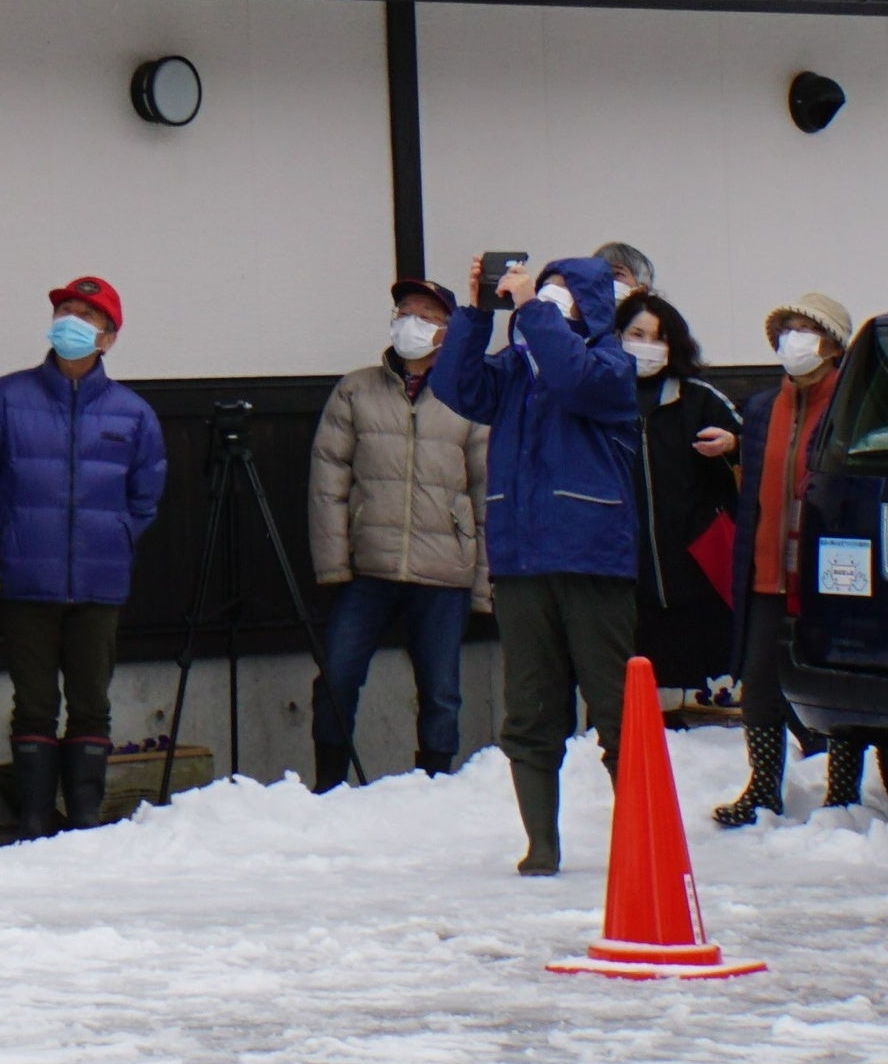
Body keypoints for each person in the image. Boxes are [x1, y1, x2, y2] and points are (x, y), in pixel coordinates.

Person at [427, 253, 638, 875]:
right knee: (530, 709)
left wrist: (531, 310)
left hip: (593, 560)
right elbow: (456, 386)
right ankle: (541, 844)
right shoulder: (516, 369)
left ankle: (640, 837)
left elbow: (572, 378)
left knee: (615, 707)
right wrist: (476, 312)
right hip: (521, 560)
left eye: (563, 290)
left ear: (593, 303)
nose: (548, 296)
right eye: (544, 287)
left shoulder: (611, 365)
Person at [0, 274, 166, 840]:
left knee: (92, 702)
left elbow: (145, 497)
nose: (72, 321)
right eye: (65, 310)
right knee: (34, 703)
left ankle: (86, 819)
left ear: (109, 337)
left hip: (100, 582)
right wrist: (1, 541)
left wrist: (115, 539)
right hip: (25, 578)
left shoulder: (133, 414)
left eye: (87, 315)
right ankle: (35, 819)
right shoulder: (4, 399)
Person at [306, 277, 486, 788]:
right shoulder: (356, 389)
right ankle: (328, 786)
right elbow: (328, 481)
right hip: (370, 565)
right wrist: (334, 563)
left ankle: (433, 786)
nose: (412, 323)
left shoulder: (470, 394)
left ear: (448, 331)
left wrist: (483, 582)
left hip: (446, 569)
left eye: (426, 316)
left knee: (441, 692)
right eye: (405, 311)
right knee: (336, 676)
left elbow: (487, 490)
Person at [711, 289, 860, 831]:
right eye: (787, 331)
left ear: (834, 345)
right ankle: (762, 788)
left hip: (828, 572)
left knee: (835, 679)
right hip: (766, 569)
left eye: (806, 330)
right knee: (759, 682)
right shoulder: (760, 408)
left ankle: (842, 793)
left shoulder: (852, 406)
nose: (793, 341)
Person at [619, 293, 744, 695]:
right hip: (626, 577)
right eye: (637, 334)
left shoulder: (699, 398)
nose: (647, 346)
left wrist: (732, 444)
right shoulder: (603, 400)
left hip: (701, 571)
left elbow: (751, 444)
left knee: (707, 686)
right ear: (617, 336)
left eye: (659, 337)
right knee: (647, 692)